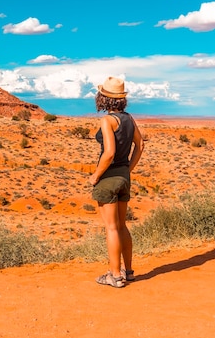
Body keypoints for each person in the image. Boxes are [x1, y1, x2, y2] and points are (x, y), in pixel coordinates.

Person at [89, 76, 144, 288]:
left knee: (111, 228)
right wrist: (128, 169)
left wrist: (95, 175)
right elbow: (140, 146)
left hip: (109, 177)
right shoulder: (129, 119)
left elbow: (109, 152)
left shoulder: (107, 121)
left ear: (103, 98)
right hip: (123, 177)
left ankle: (115, 275)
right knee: (122, 226)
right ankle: (128, 272)